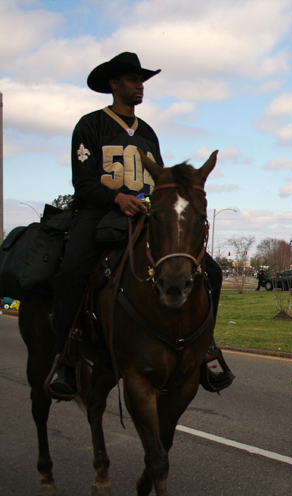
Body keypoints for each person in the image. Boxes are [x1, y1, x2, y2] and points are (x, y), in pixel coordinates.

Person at [49, 52, 234, 397]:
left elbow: (160, 180)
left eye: (142, 81)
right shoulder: (90, 125)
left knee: (211, 271)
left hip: (145, 214)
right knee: (73, 269)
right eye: (133, 80)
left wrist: (160, 201)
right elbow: (82, 182)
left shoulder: (147, 132)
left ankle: (206, 347)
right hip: (99, 213)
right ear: (114, 84)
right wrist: (116, 198)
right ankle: (66, 356)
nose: (140, 86)